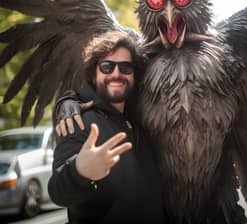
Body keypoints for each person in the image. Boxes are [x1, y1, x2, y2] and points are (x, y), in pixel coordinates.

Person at [48, 31, 165, 224]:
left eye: (125, 67)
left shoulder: (140, 122)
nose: (116, 74)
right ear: (94, 75)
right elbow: (58, 192)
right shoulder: (79, 121)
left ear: (134, 76)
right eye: (107, 67)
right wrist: (79, 172)